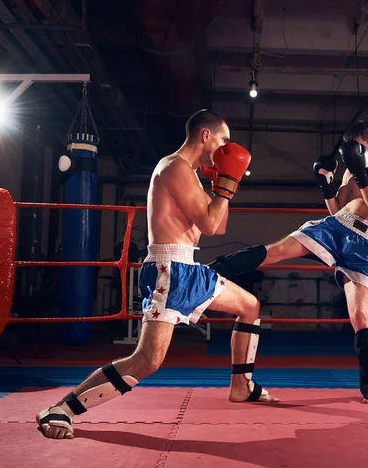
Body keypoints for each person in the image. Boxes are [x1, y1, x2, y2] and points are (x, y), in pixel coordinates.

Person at [36, 109, 278, 440]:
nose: (227, 147)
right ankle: (61, 409)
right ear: (205, 135)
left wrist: (222, 182)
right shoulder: (174, 166)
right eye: (224, 139)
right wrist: (226, 187)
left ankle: (241, 385)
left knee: (249, 305)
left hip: (190, 269)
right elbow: (209, 223)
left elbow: (217, 226)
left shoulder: (191, 175)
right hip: (170, 271)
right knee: (147, 360)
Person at [208, 120, 368, 404]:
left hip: (366, 243)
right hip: (335, 227)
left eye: (360, 150)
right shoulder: (353, 168)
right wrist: (326, 186)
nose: (355, 157)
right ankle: (210, 270)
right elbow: (337, 207)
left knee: (360, 316)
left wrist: (362, 174)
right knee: (277, 250)